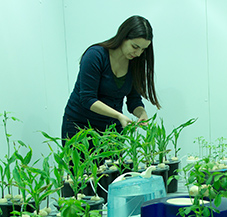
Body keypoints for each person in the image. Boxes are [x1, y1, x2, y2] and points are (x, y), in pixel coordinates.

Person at [61, 15, 161, 146]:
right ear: (123, 36)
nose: (138, 53)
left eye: (143, 49)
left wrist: (142, 113)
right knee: (84, 166)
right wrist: (119, 115)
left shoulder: (134, 63)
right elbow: (87, 99)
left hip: (111, 129)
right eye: (135, 46)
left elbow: (133, 100)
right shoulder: (95, 56)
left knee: (115, 166)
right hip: (80, 127)